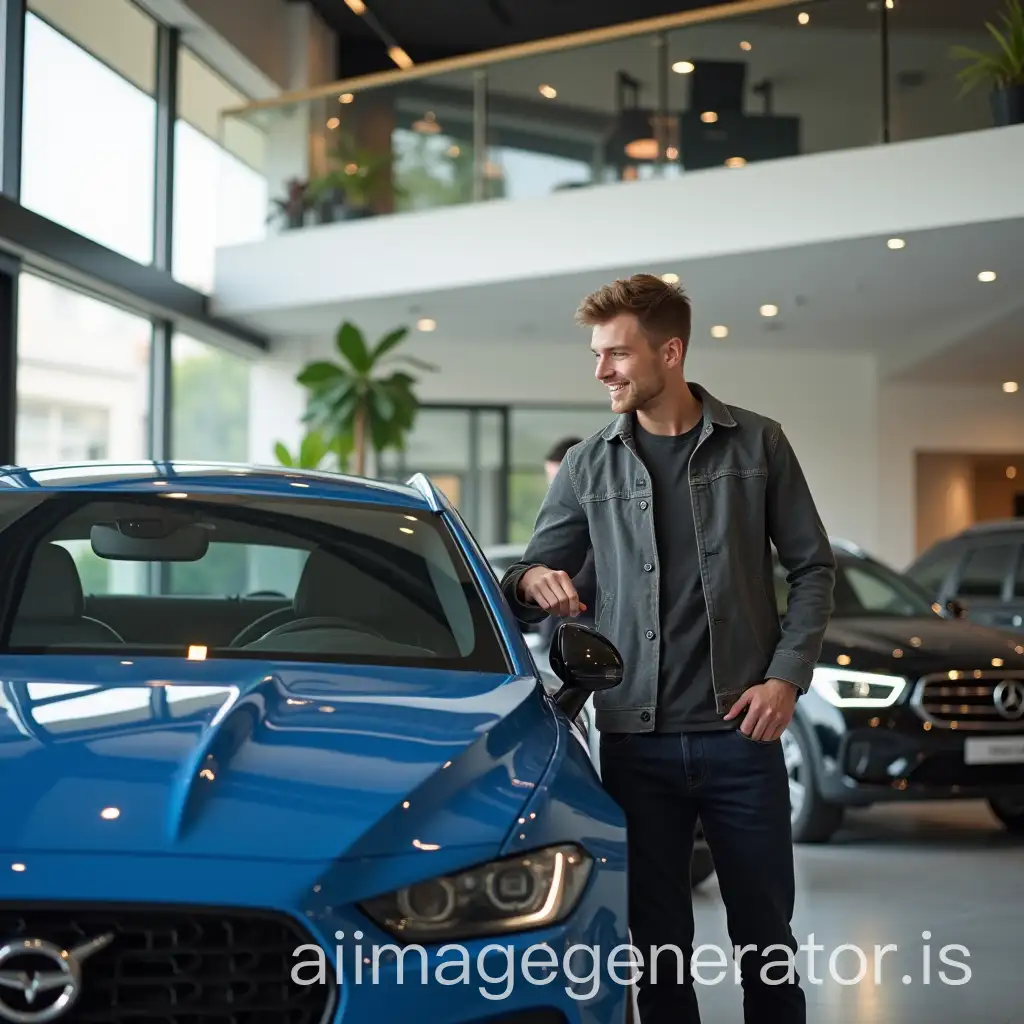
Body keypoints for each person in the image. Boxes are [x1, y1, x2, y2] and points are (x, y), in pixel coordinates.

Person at [500, 274, 835, 1024]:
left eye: (616, 353)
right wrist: (537, 580)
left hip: (741, 734)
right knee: (655, 950)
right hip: (634, 740)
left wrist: (785, 679)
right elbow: (523, 570)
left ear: (671, 351)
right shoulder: (591, 463)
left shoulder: (758, 444)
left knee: (765, 944)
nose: (602, 371)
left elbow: (813, 568)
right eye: (597, 354)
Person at [538, 437, 596, 650]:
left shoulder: (603, 529)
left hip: (591, 644)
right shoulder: (554, 528)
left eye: (559, 483)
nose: (555, 492)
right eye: (551, 482)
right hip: (556, 644)